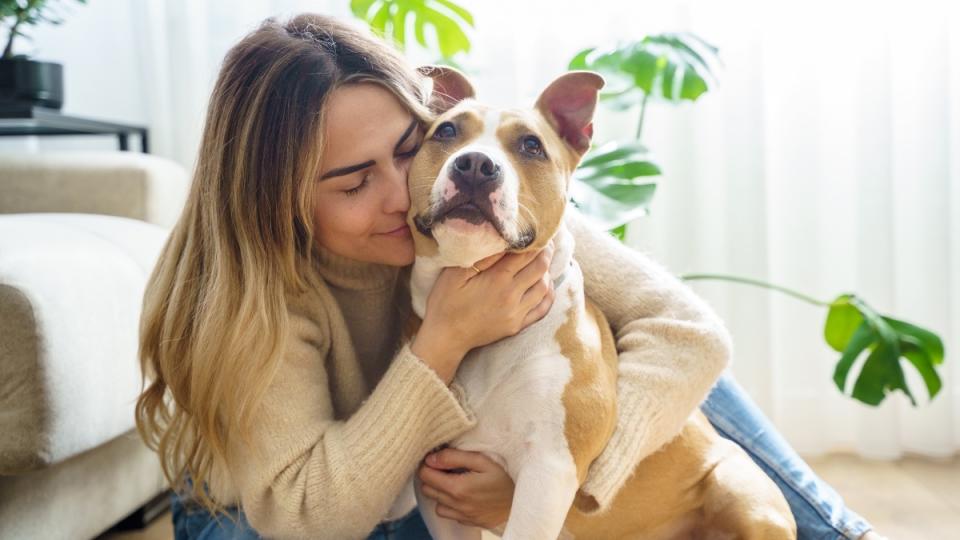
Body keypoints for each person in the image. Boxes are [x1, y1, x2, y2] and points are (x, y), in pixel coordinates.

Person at [135, 13, 881, 540]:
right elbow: (310, 515)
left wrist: (578, 478)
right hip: (271, 516)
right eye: (354, 181)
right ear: (283, 199)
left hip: (415, 481)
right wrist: (447, 337)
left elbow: (689, 334)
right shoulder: (256, 296)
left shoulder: (476, 200)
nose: (403, 193)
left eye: (408, 148)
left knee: (605, 330)